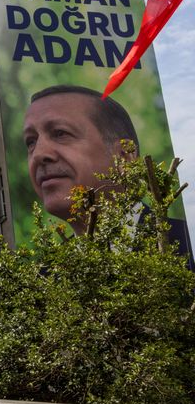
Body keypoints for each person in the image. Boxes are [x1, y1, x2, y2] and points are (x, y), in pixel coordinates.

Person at [23, 84, 192, 267]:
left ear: (124, 156)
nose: (38, 154)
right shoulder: (42, 282)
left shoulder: (188, 244)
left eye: (60, 133)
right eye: (31, 141)